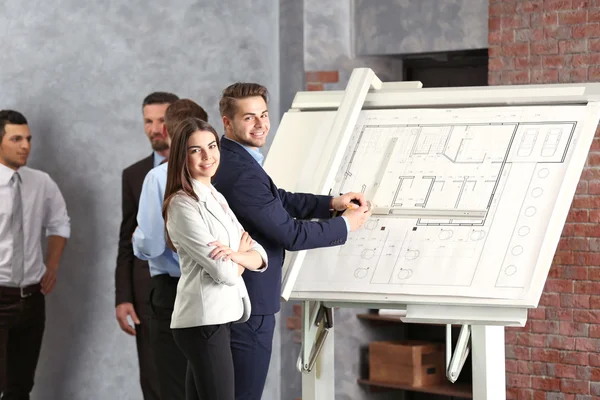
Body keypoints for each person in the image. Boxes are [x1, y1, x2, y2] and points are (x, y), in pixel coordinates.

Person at [213, 83, 371, 399]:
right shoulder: (240, 171)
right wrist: (345, 225)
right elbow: (291, 234)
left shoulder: (236, 158)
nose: (260, 124)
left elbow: (277, 199)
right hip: (249, 307)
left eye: (264, 115)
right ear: (227, 122)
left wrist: (330, 203)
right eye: (249, 118)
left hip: (239, 302)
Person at [163, 117, 268, 400]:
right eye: (196, 150)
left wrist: (237, 255)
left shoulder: (215, 195)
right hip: (203, 321)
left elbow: (259, 253)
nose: (208, 156)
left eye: (212, 146)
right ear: (182, 157)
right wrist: (241, 257)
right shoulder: (182, 204)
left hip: (217, 317)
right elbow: (223, 272)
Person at [132, 99, 208, 400]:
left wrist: (139, 238)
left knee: (174, 384)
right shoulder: (217, 172)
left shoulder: (158, 177)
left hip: (173, 291)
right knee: (208, 381)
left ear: (167, 130)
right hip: (214, 287)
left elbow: (150, 244)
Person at [0, 110, 70, 398]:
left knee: (20, 386)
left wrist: (51, 264)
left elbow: (59, 223)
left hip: (31, 299)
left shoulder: (40, 182)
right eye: (16, 139)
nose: (25, 145)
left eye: (28, 139)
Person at [115, 92, 178, 400]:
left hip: (194, 288)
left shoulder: (203, 164)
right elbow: (126, 239)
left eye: (163, 121)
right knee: (154, 382)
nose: (156, 129)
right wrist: (123, 297)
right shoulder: (134, 174)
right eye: (149, 121)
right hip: (147, 296)